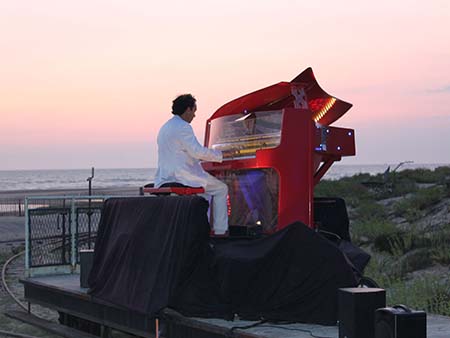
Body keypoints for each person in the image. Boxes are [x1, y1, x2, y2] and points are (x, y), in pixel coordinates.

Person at [154, 94, 229, 235]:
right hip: (183, 176)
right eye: (194, 111)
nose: (194, 115)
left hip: (165, 175)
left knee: (205, 195)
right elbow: (196, 151)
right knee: (221, 189)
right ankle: (220, 231)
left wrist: (205, 156)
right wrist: (223, 155)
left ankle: (201, 229)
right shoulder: (183, 127)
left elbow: (182, 152)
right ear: (188, 109)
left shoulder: (165, 127)